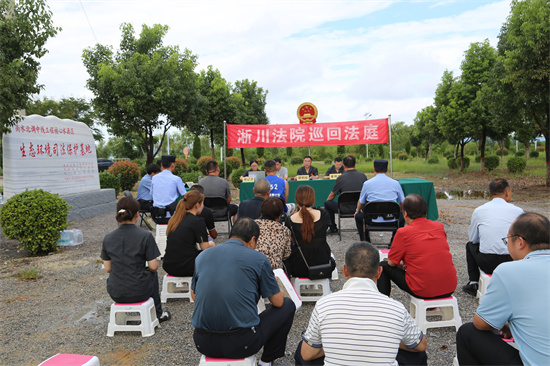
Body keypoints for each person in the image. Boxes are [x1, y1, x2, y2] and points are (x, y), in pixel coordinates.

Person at [295, 242, 427, 366]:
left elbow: (306, 354)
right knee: (418, 355)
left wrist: (336, 343)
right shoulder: (396, 308)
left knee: (304, 346)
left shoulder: (324, 305)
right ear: (379, 272)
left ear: (345, 271)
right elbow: (420, 345)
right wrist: (391, 340)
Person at [191, 218, 296, 366]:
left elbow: (194, 296)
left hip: (203, 343)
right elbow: (278, 302)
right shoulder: (258, 259)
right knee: (287, 305)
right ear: (252, 240)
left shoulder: (202, 256)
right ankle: (266, 361)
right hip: (241, 344)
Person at [456, 212, 550, 366]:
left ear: (520, 242)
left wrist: (507, 325)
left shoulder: (509, 271)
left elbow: (481, 323)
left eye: (507, 239)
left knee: (467, 333)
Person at [100, 196, 171, 323]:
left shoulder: (108, 238)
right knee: (152, 274)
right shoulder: (145, 236)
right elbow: (154, 266)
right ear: (137, 215)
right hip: (140, 291)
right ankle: (158, 314)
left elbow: (108, 269)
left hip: (115, 293)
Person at [376, 194, 457, 299]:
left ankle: (383, 304)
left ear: (405, 213)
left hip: (423, 290)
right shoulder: (439, 227)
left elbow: (391, 263)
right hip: (449, 287)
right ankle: (433, 306)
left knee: (383, 266)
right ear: (425, 211)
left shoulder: (403, 232)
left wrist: (400, 262)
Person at [462, 178, 524, 296]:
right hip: (511, 261)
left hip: (487, 262)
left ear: (491, 193)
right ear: (507, 192)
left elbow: (473, 239)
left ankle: (474, 282)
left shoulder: (479, 211)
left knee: (470, 246)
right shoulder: (518, 211)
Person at [284, 185, 335, 278]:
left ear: (296, 200)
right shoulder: (323, 214)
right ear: (313, 199)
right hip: (323, 263)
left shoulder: (289, 220)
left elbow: (293, 242)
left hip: (299, 266)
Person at [162, 190, 214, 277]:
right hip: (187, 267)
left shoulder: (175, 219)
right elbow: (205, 248)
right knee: (213, 251)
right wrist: (211, 244)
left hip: (169, 265)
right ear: (197, 205)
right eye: (202, 203)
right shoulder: (198, 221)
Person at [354, 159, 405, 242]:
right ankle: (394, 242)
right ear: (387, 169)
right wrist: (401, 211)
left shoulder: (367, 183)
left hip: (372, 220)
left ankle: (366, 243)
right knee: (402, 216)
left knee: (358, 216)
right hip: (392, 220)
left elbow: (361, 201)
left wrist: (357, 211)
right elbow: (403, 201)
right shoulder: (396, 183)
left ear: (374, 169)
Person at [323, 155, 367, 234]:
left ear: (344, 165)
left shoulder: (341, 178)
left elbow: (332, 195)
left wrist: (328, 200)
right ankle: (362, 227)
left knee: (327, 203)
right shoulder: (363, 176)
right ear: (355, 165)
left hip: (344, 208)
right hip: (360, 208)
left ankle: (333, 228)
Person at [255, 197, 292, 270]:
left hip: (254, 269)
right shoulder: (284, 230)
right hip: (274, 273)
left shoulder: (251, 225)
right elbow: (286, 254)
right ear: (279, 217)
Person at [151, 155, 187, 224]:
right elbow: (185, 196)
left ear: (161, 165)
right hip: (171, 216)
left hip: (157, 216)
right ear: (173, 165)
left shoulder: (154, 178)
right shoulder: (176, 179)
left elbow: (151, 194)